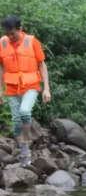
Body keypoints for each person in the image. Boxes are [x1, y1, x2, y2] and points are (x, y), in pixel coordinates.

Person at [0, 16, 51, 166]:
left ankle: (26, 142)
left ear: (20, 29)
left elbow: (42, 65)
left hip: (31, 86)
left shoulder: (32, 41)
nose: (10, 37)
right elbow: (1, 68)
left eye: (13, 34)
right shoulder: (2, 43)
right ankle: (23, 148)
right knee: (16, 122)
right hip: (11, 87)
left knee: (24, 112)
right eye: (7, 33)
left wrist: (46, 89)